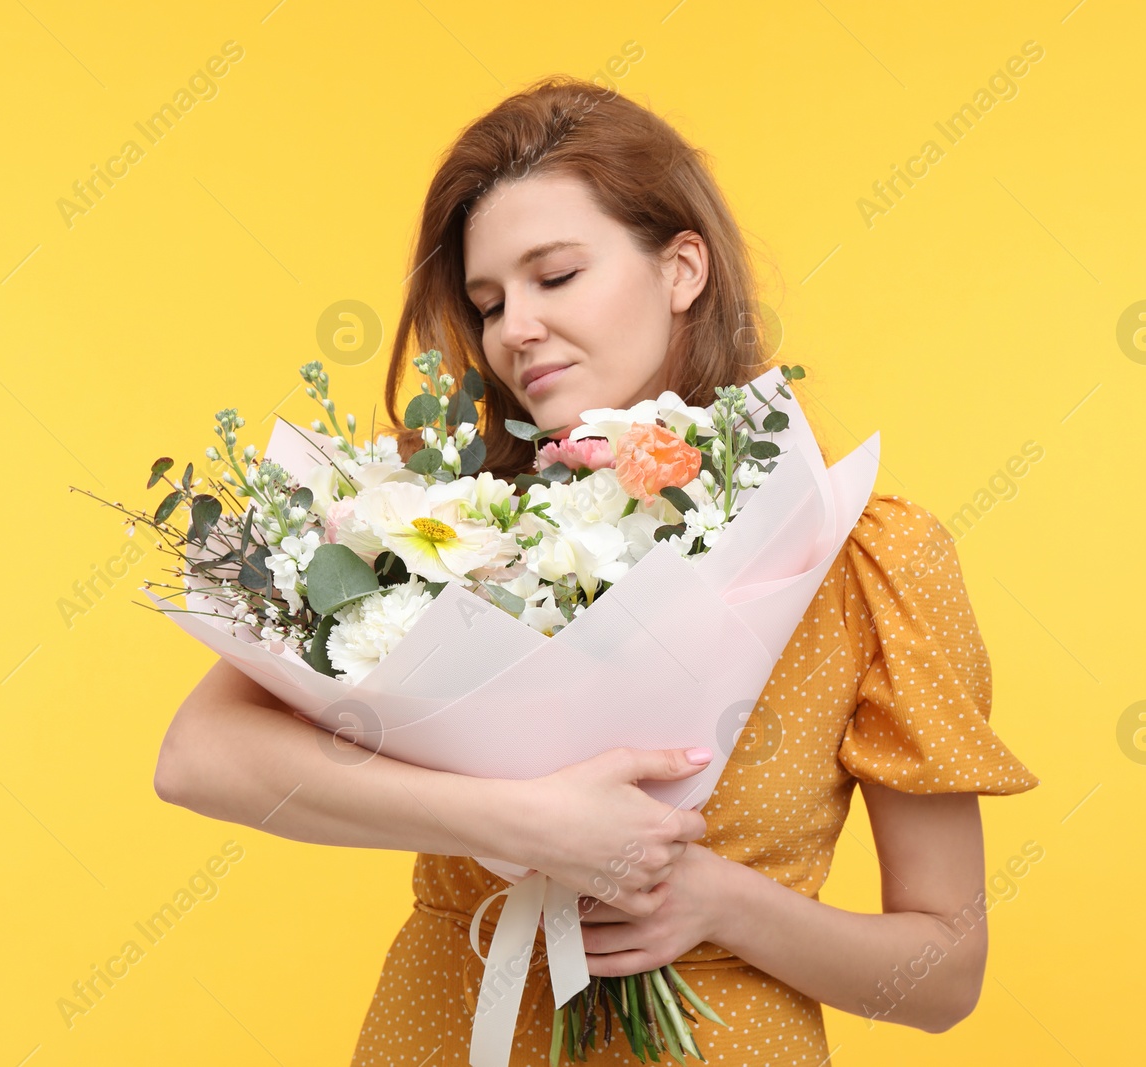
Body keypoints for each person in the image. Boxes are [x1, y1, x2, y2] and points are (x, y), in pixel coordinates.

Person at [153, 75, 1041, 1064]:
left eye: (556, 275)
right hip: (445, 1030)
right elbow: (198, 756)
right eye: (488, 302)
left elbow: (943, 977)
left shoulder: (864, 561)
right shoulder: (433, 518)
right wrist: (529, 821)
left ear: (682, 269)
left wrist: (719, 902)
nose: (512, 329)